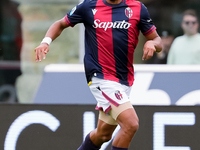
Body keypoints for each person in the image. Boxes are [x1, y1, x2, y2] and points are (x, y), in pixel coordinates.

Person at [35, 0, 162, 149]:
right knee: (131, 124)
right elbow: (60, 24)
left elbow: (157, 39)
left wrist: (152, 43)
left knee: (103, 134)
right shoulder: (88, 6)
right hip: (100, 76)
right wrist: (45, 42)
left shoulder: (137, 8)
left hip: (124, 79)